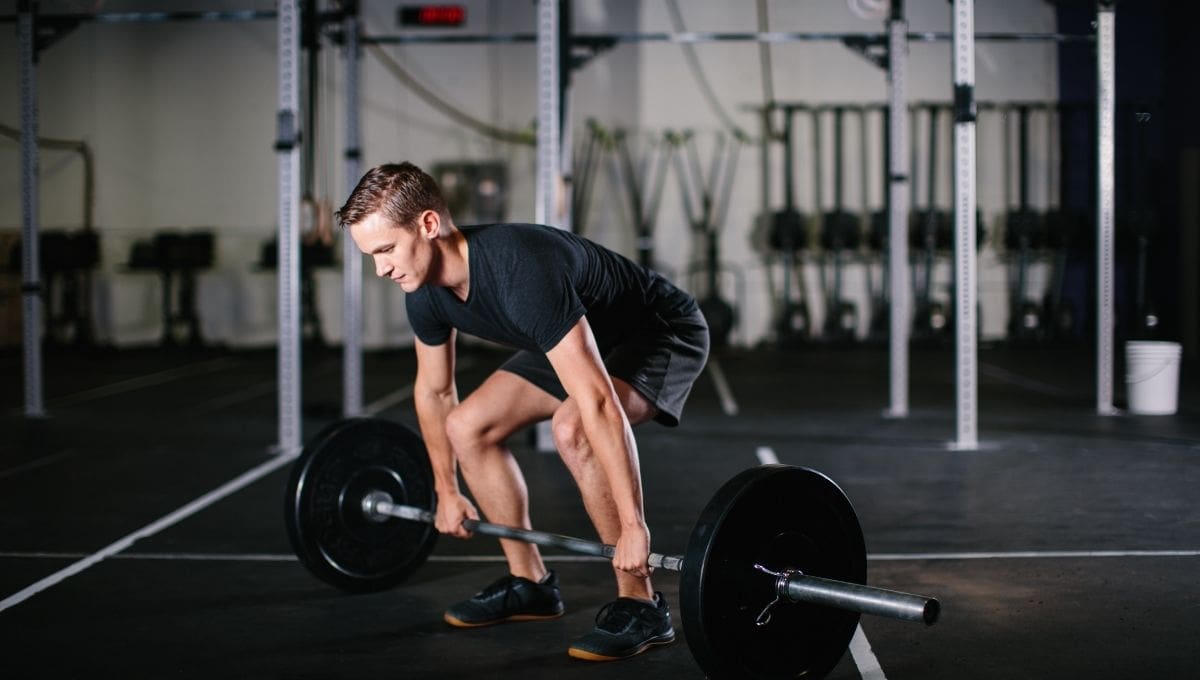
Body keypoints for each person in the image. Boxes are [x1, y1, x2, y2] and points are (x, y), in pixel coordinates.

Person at [336, 162, 709, 662]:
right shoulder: (424, 289)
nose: (380, 269)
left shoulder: (519, 269)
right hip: (570, 336)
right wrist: (446, 491)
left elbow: (596, 401)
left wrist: (634, 526)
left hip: (657, 332)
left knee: (573, 427)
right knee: (467, 427)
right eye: (371, 256)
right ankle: (529, 582)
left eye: (385, 250)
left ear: (428, 225)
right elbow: (434, 392)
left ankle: (640, 603)